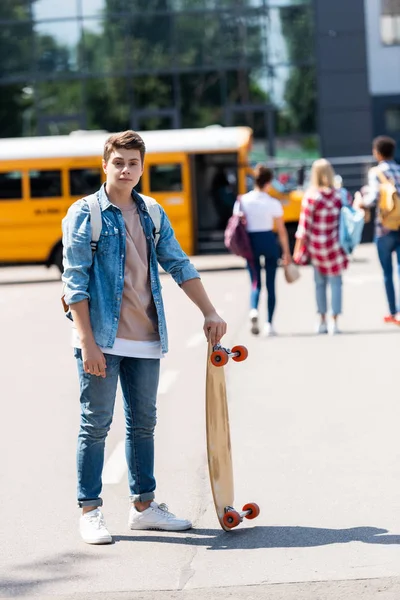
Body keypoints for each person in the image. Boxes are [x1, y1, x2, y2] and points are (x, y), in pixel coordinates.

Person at [62, 130, 227, 545]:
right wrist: (87, 342)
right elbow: (75, 282)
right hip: (101, 337)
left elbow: (177, 262)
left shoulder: (151, 212)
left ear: (142, 166)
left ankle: (144, 507)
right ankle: (90, 510)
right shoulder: (86, 213)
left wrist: (209, 310)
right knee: (95, 424)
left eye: (133, 163)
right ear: (105, 165)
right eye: (118, 162)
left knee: (144, 425)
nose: (125, 169)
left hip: (146, 337)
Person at [234, 164, 291, 337]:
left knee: (255, 281)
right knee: (271, 284)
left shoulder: (242, 201)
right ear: (268, 182)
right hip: (268, 240)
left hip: (250, 242)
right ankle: (269, 324)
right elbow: (281, 231)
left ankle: (253, 310)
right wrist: (286, 252)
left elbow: (237, 221)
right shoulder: (272, 202)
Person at [294, 159, 348, 335]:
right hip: (335, 245)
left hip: (316, 246)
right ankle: (335, 321)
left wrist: (297, 250)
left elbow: (304, 227)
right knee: (336, 283)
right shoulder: (340, 195)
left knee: (319, 284)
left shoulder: (311, 196)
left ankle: (322, 320)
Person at [354, 136, 400, 324]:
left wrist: (360, 202)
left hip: (384, 228)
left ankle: (393, 311)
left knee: (387, 272)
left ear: (377, 152)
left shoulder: (377, 173)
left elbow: (372, 198)